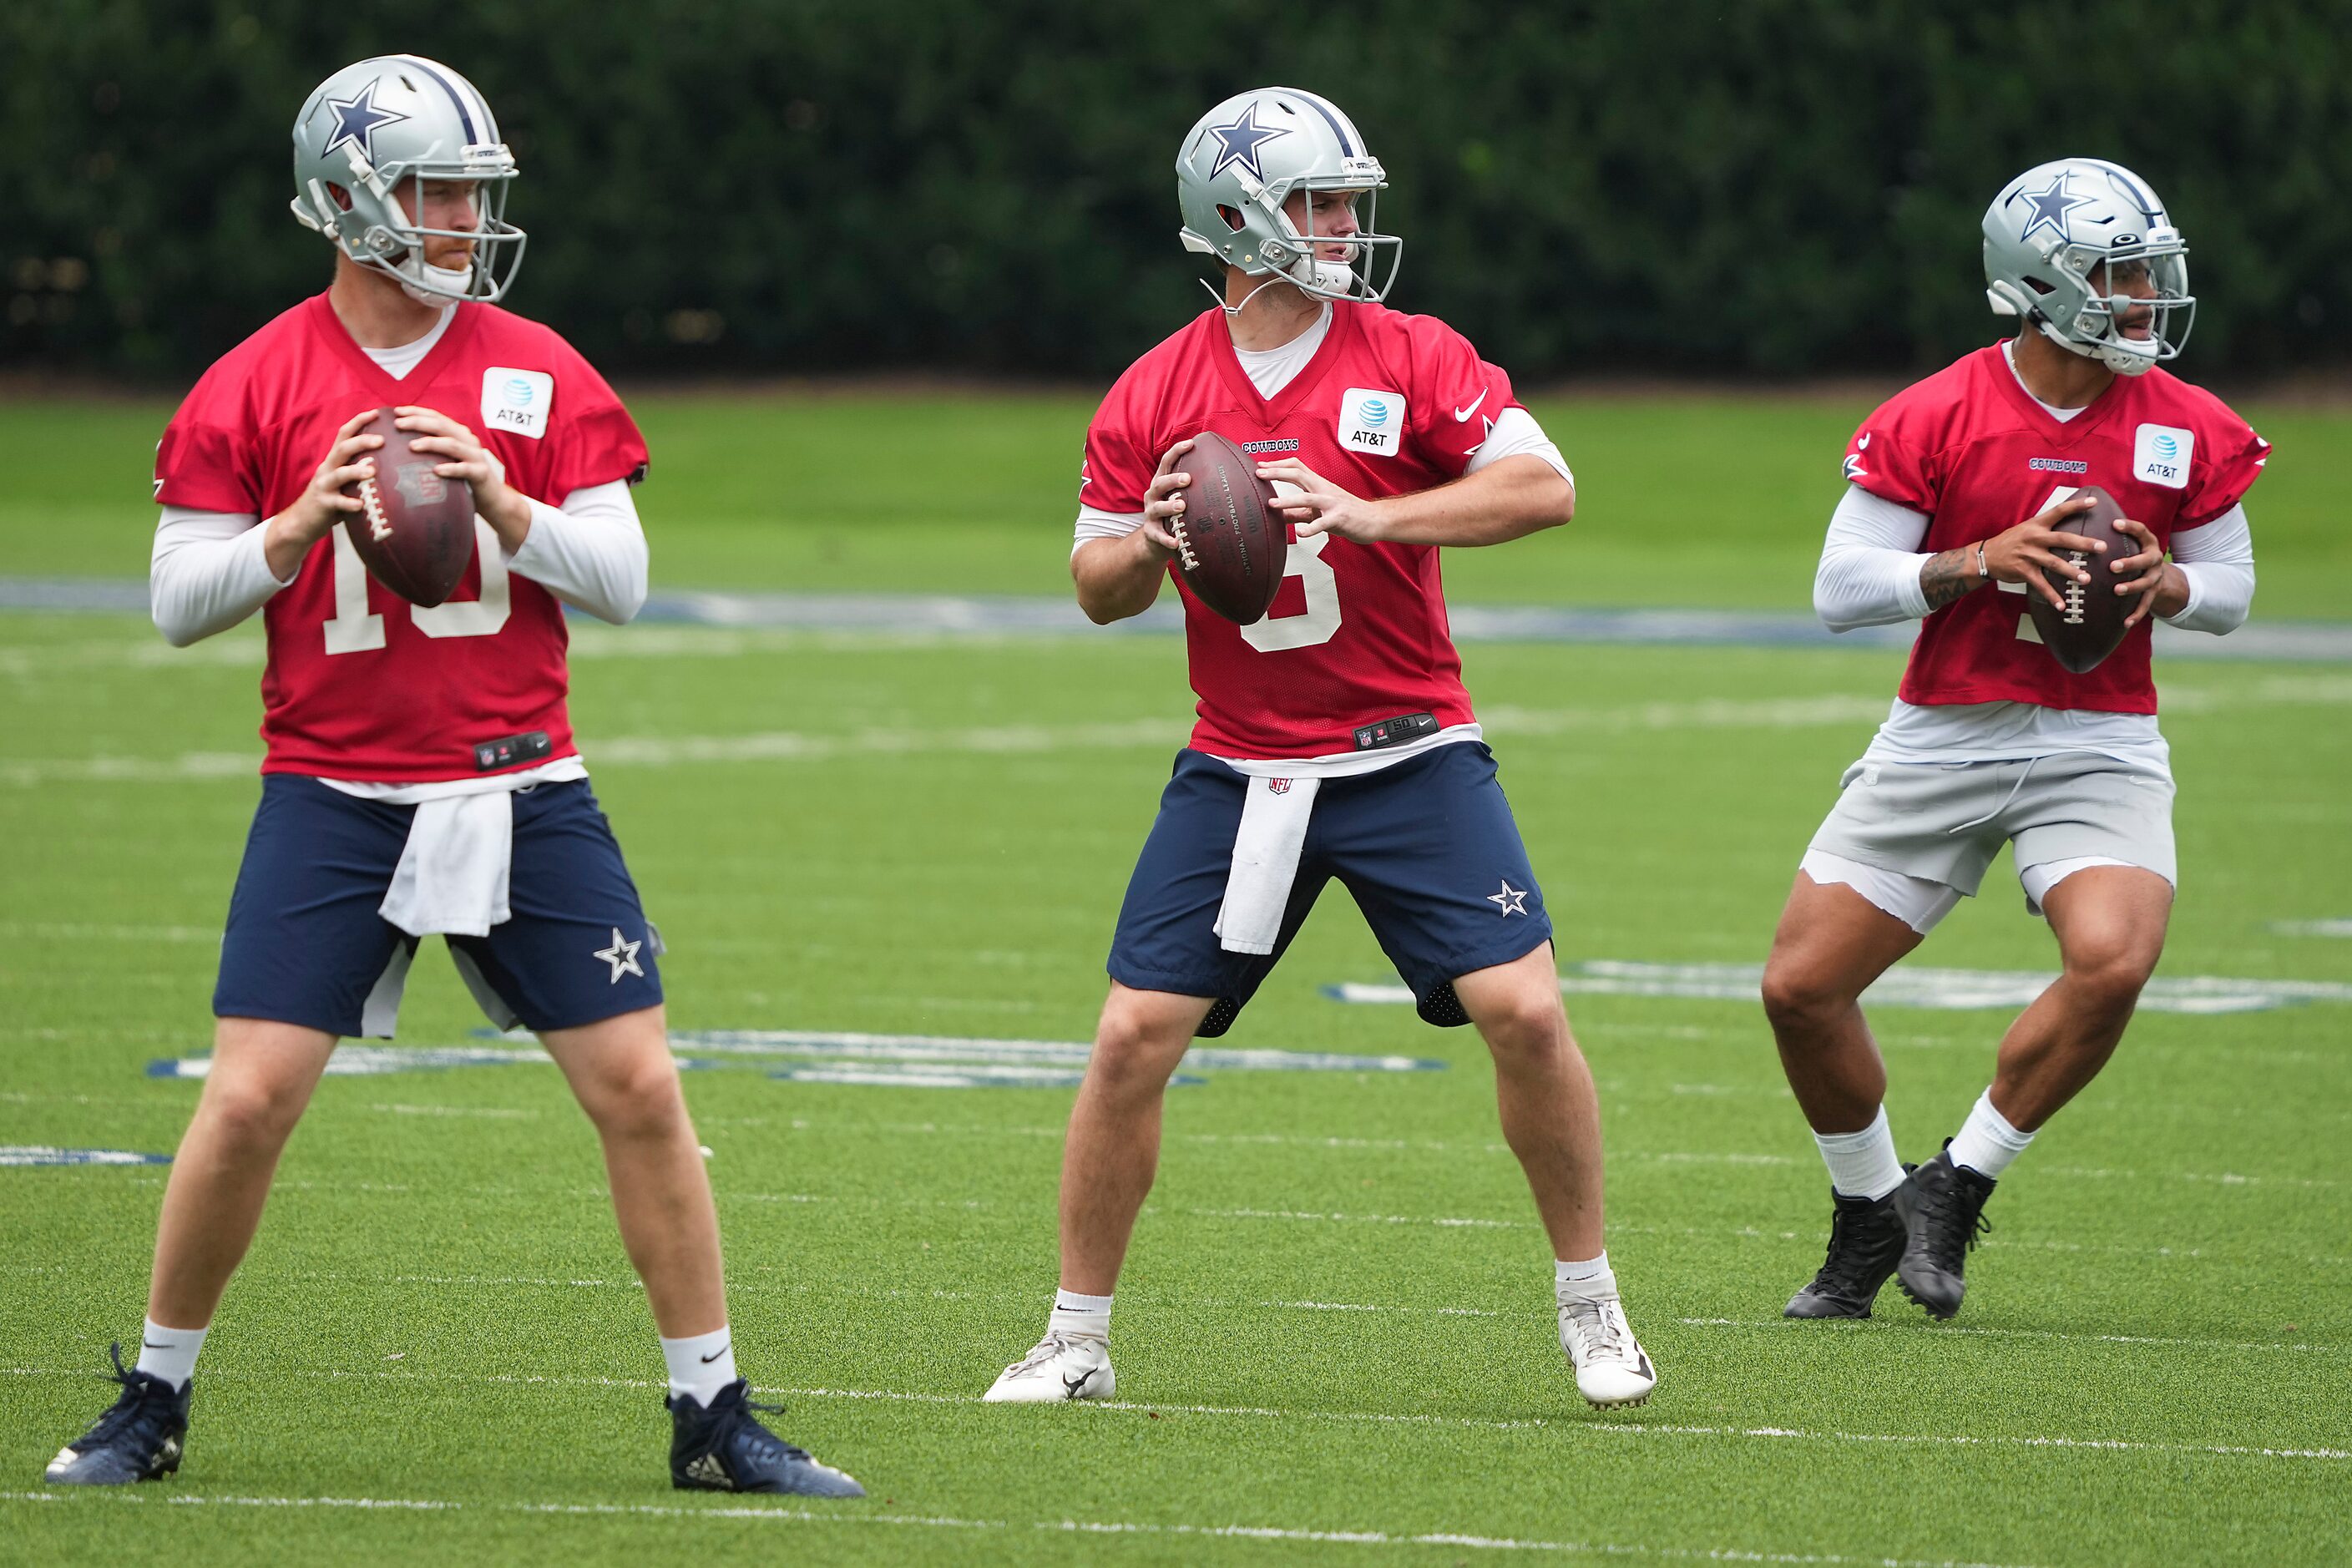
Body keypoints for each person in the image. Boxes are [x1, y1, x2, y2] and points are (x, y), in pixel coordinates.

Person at [43, 56, 860, 1496]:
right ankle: (153, 1395)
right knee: (247, 1099)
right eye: (435, 189)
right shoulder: (260, 379)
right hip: (334, 788)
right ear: (350, 199)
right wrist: (297, 521)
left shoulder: (539, 367)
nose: (463, 219)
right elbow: (178, 601)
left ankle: (711, 1409)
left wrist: (500, 494)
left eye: (474, 192)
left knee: (642, 1087)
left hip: (523, 783)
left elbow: (619, 578)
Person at [982, 87, 1656, 1409]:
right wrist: (1154, 539)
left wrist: (1366, 509)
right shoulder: (1154, 389)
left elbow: (1545, 485)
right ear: (1236, 218)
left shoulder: (1411, 352)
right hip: (1242, 767)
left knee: (1522, 1009)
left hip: (1410, 750)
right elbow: (1094, 582)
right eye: (1318, 202)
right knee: (1130, 1037)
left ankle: (1592, 1306)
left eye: (1350, 201)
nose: (1346, 225)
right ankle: (1074, 1337)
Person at [1763, 159, 2267, 1322]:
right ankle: (1864, 1215)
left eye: (2148, 271)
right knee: (1799, 988)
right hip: (1943, 732)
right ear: (2041, 284)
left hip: (2097, 737)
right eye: (2120, 274)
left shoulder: (2186, 422)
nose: (2144, 296)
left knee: (2114, 959)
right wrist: (1971, 559)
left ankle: (1956, 1181)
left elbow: (2233, 590)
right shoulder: (1936, 411)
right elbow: (1839, 586)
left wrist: (2170, 584)